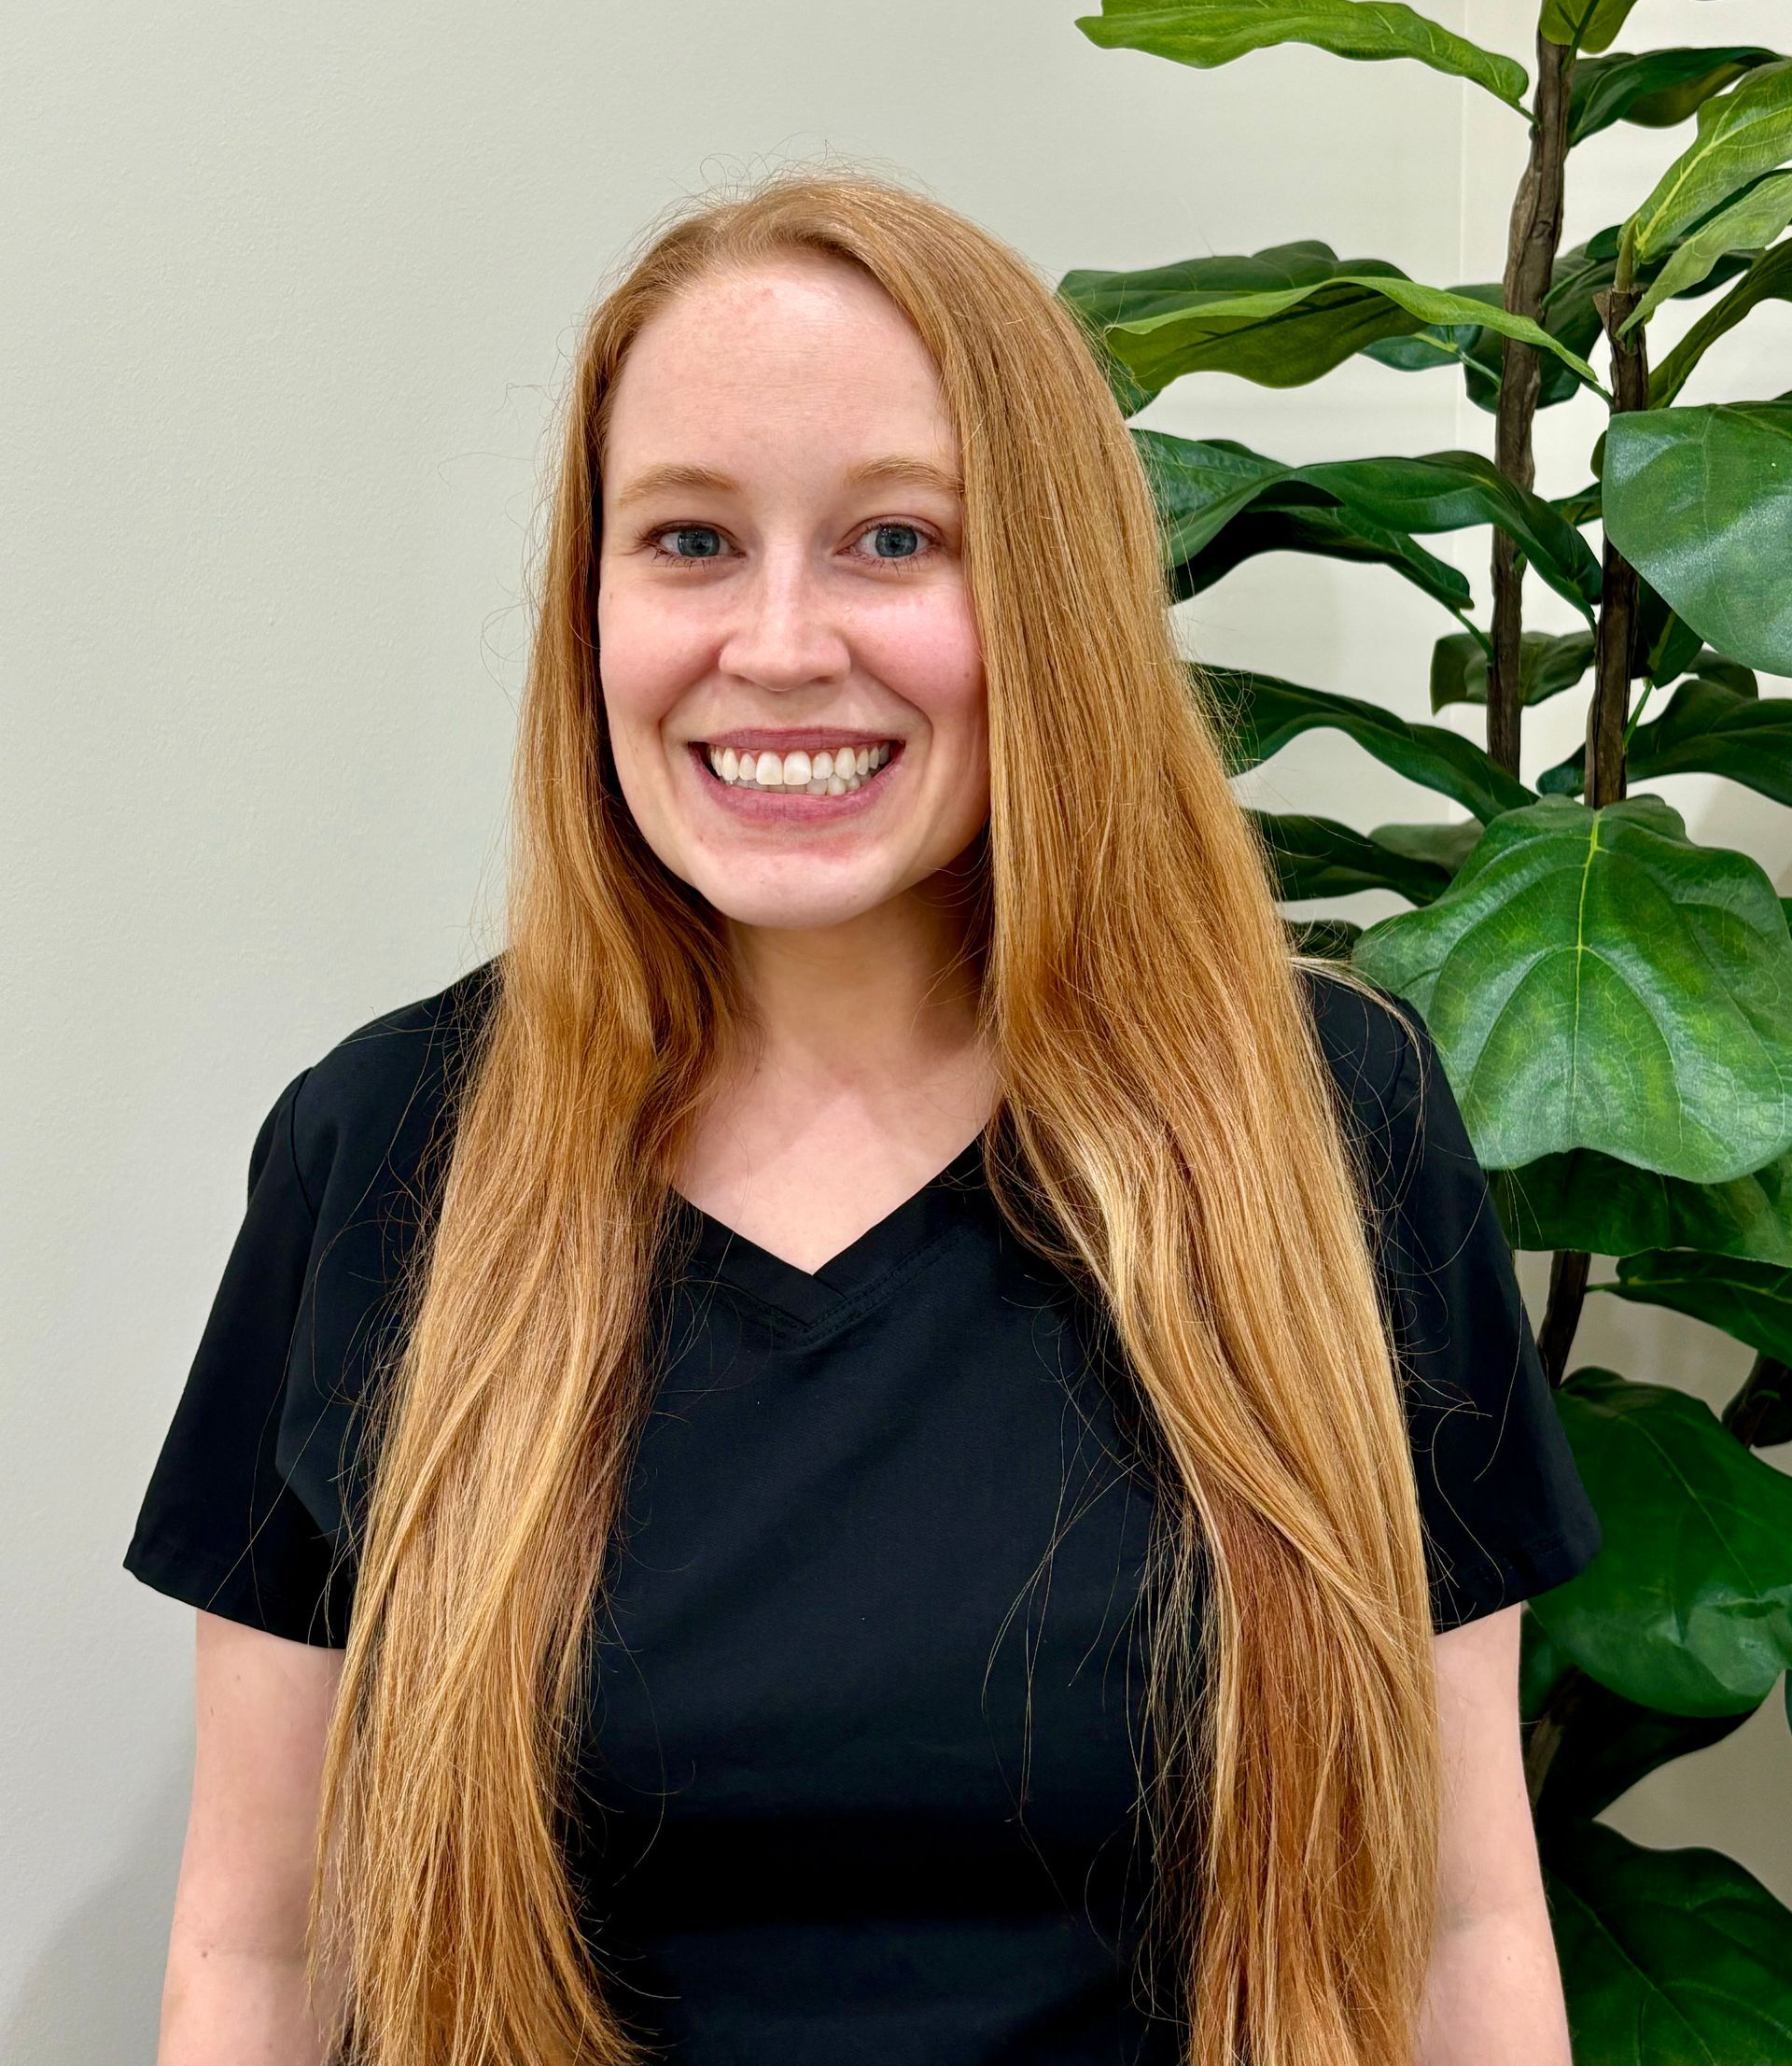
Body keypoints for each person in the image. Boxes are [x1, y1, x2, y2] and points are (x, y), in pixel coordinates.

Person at [124, 170, 1602, 2066]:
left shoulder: (1329, 1127)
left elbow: (1462, 1926)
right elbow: (262, 1956)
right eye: (688, 541)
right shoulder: (385, 1150)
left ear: (1049, 599)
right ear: (593, 601)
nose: (781, 643)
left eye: (896, 539)